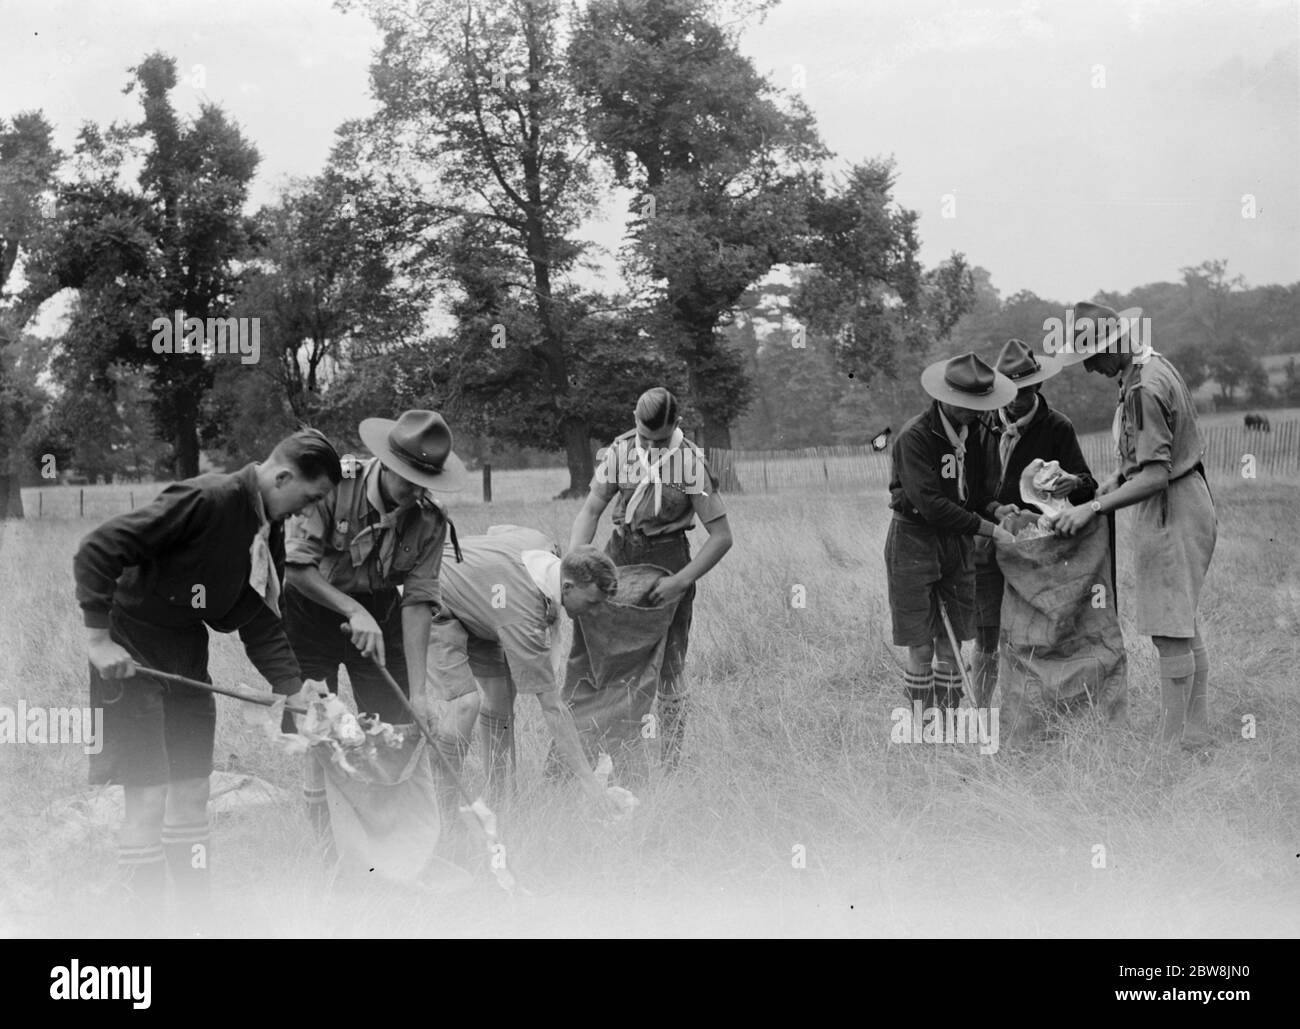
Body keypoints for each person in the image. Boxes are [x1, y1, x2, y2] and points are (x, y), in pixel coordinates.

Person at [74, 428, 343, 933]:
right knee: (149, 798)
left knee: (193, 791)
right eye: (308, 498)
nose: (308, 512)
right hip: (130, 656)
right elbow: (98, 548)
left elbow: (255, 615)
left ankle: (198, 922)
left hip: (187, 659)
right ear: (283, 476)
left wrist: (292, 688)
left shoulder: (267, 526)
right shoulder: (206, 500)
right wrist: (97, 641)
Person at [282, 410, 464, 840]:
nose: (413, 493)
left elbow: (418, 603)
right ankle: (326, 844)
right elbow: (296, 568)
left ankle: (381, 843)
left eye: (423, 484)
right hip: (311, 608)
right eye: (406, 479)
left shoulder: (430, 522)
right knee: (318, 728)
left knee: (392, 729)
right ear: (384, 462)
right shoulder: (331, 485)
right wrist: (351, 611)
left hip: (380, 615)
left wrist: (418, 693)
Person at [1053, 302, 1217, 751]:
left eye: (1094, 356)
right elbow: (1137, 464)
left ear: (1116, 344)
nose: (1089, 367)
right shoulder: (1148, 368)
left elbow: (1155, 474)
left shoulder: (1145, 387)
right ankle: (1194, 733)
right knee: (1182, 623)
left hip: (1171, 506)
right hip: (1180, 500)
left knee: (1170, 629)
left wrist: (1096, 507)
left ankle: (1170, 744)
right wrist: (1096, 488)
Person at [568, 387, 731, 769]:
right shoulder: (620, 452)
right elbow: (591, 510)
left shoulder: (691, 461)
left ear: (676, 424)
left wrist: (681, 582)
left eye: (659, 439)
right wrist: (577, 559)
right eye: (644, 437)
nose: (650, 445)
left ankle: (670, 765)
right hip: (618, 561)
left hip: (668, 562)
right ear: (634, 421)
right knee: (605, 665)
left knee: (669, 670)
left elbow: (722, 537)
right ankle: (608, 759)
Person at [425, 525, 626, 816]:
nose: (594, 611)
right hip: (430, 599)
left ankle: (502, 798)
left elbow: (496, 530)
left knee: (502, 695)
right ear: (567, 587)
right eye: (592, 602)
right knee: (465, 705)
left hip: (478, 606)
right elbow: (553, 709)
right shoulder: (523, 616)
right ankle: (440, 810)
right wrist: (590, 784)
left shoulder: (543, 546)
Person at [886, 353, 1017, 717]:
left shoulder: (976, 433)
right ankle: (923, 729)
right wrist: (990, 530)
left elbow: (972, 493)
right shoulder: (914, 437)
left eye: (980, 405)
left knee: (952, 644)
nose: (976, 412)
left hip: (956, 544)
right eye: (968, 406)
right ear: (945, 398)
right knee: (921, 647)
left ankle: (948, 725)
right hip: (914, 542)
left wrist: (993, 508)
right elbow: (931, 505)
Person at [970, 338, 1098, 706]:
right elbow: (970, 487)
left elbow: (1086, 487)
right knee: (987, 635)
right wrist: (994, 509)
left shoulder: (1057, 427)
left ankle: (1036, 714)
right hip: (988, 544)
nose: (1013, 401)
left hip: (1035, 550)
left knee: (1036, 634)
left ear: (1038, 386)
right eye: (1007, 392)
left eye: (1022, 393)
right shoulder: (981, 423)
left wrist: (1074, 482)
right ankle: (982, 711)